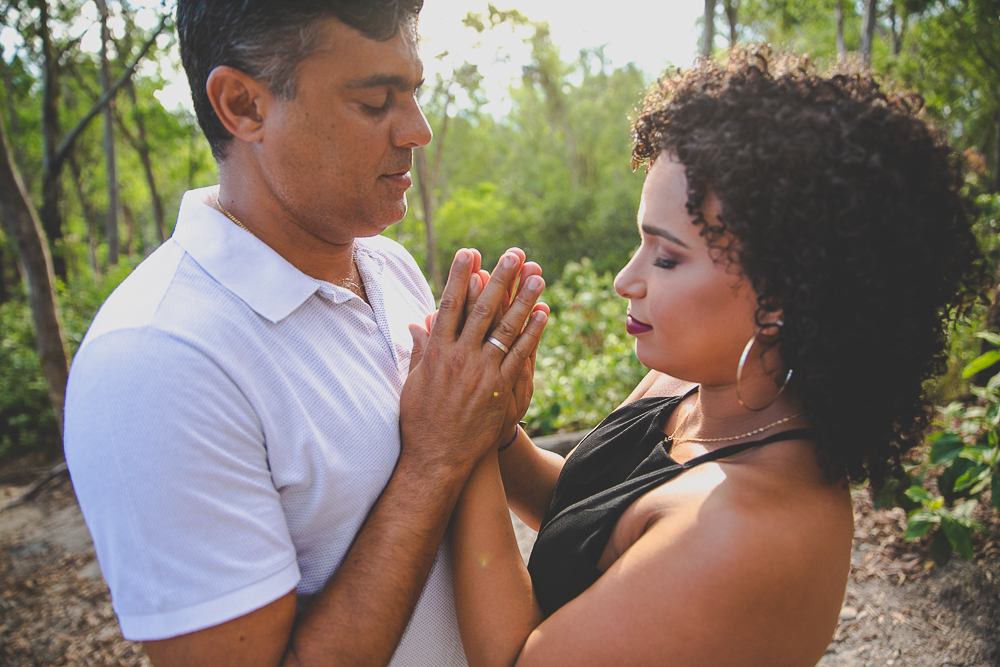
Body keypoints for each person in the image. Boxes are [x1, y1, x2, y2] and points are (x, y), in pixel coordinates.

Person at [446, 48, 984, 667]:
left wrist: (459, 443)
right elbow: (586, 516)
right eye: (639, 243)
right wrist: (500, 434)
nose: (626, 279)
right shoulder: (688, 382)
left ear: (782, 298)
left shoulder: (746, 528)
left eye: (667, 258)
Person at [62, 1, 548, 665]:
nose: (419, 130)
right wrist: (433, 458)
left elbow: (475, 466)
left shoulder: (386, 265)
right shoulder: (156, 359)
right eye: (377, 102)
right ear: (243, 105)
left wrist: (489, 419)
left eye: (413, 93)